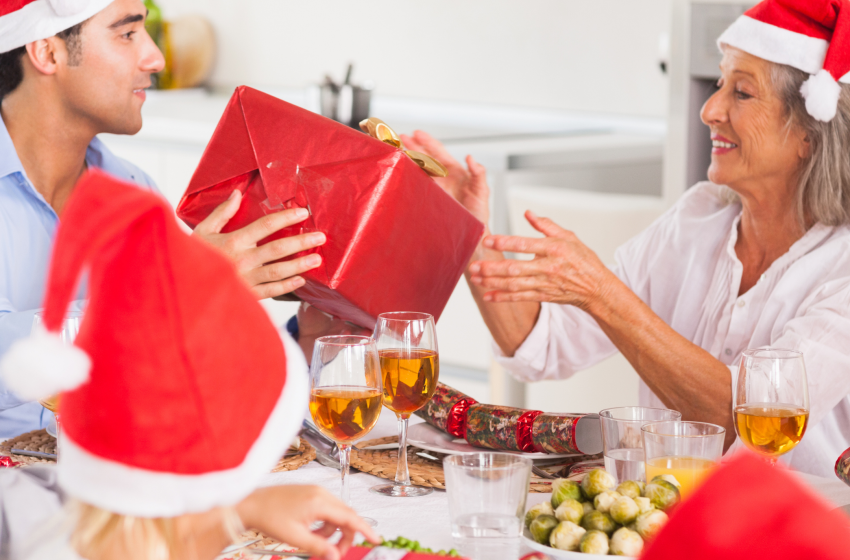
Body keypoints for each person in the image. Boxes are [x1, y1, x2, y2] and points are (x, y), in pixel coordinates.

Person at [403, 0, 850, 478]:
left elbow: (743, 421)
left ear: (809, 133)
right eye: (719, 84)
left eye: (742, 93)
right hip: (665, 515)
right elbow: (544, 345)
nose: (709, 110)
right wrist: (469, 236)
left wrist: (603, 294)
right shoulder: (698, 217)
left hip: (800, 531)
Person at [0, 170, 377, 560]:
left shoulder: (132, 181)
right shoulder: (20, 516)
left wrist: (306, 340)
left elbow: (183, 382)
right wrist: (171, 297)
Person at [0, 0, 326, 438]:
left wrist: (312, 340)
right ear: (48, 52)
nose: (156, 58)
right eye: (127, 33)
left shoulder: (135, 193)